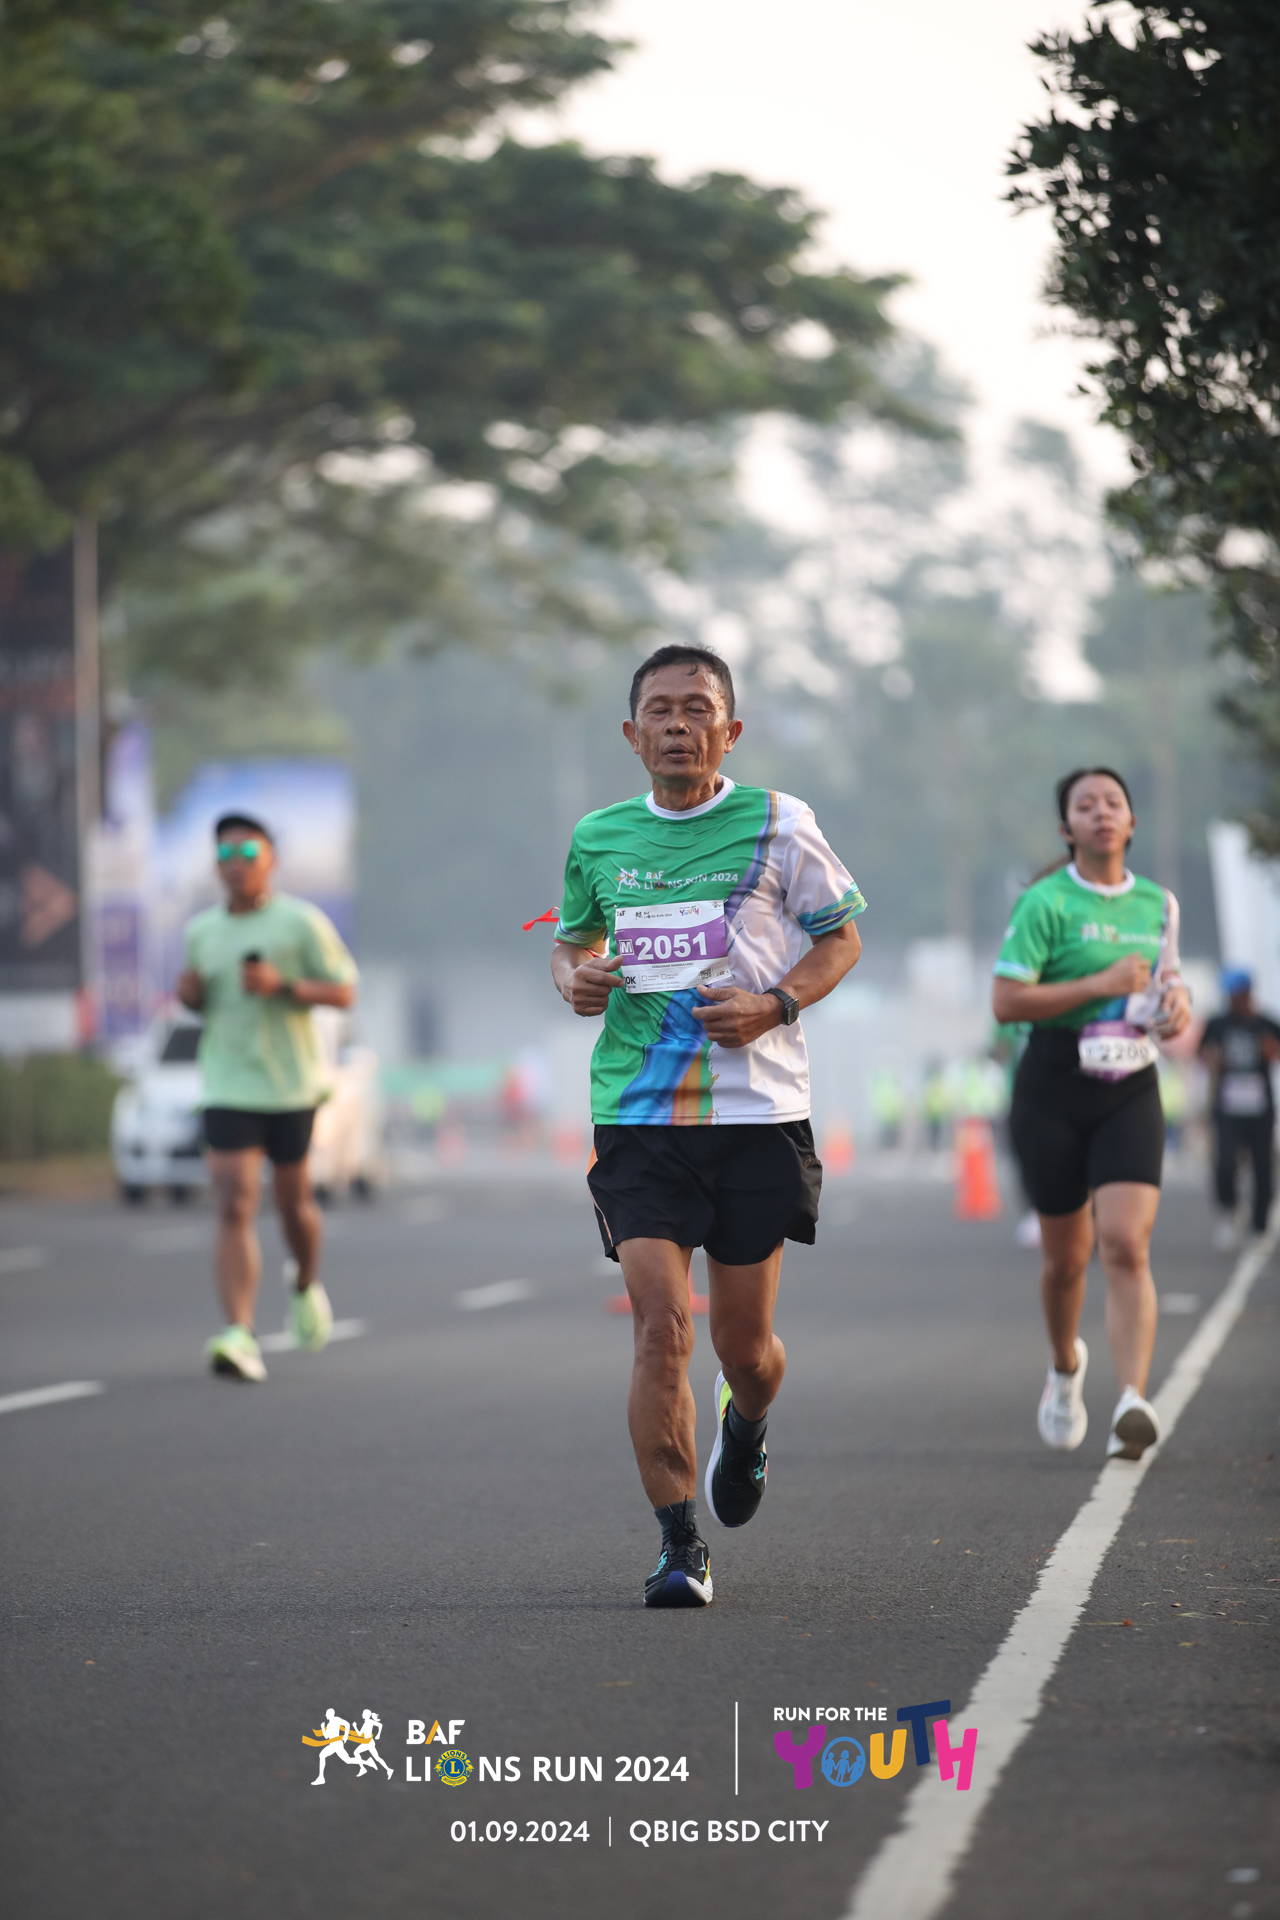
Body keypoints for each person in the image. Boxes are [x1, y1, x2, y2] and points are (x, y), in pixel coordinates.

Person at [550, 644, 864, 1608]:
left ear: (731, 730)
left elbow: (842, 938)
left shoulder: (780, 823)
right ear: (632, 732)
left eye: (698, 708)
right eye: (661, 709)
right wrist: (577, 979)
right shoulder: (599, 836)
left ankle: (750, 1424)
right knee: (661, 1325)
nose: (679, 724)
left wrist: (774, 1005)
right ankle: (679, 1545)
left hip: (756, 1111)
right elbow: (572, 945)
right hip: (639, 1113)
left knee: (746, 1352)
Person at [992, 768, 1191, 1461]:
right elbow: (1006, 1002)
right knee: (1065, 1262)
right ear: (1066, 828)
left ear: (1131, 821)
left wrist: (1177, 1003)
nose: (1102, 813)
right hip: (1052, 1086)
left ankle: (1133, 1398)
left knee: (1126, 1245)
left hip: (1129, 1085)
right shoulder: (1045, 902)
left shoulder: (1159, 904)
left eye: (1113, 803)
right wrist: (1099, 983)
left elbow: (1167, 983)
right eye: (1086, 805)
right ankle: (1064, 1369)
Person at [177, 814, 358, 1383]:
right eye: (225, 854)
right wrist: (189, 996)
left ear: (271, 860)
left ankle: (304, 1283)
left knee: (293, 1204)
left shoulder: (301, 923)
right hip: (227, 1084)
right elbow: (199, 1001)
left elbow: (344, 990)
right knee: (233, 1200)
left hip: (290, 1085)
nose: (236, 864)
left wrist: (285, 985)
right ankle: (239, 1331)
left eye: (248, 853)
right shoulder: (201, 932)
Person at [1198, 967, 1280, 1248]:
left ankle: (1260, 1225)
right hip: (1227, 1107)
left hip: (1260, 1109)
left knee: (1262, 1167)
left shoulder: (1267, 1024)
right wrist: (1212, 1058)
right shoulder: (1217, 1024)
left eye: (1237, 994)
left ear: (1247, 993)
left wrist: (1271, 1051)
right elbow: (1202, 1053)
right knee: (1224, 1164)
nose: (1233, 1000)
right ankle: (1230, 1208)